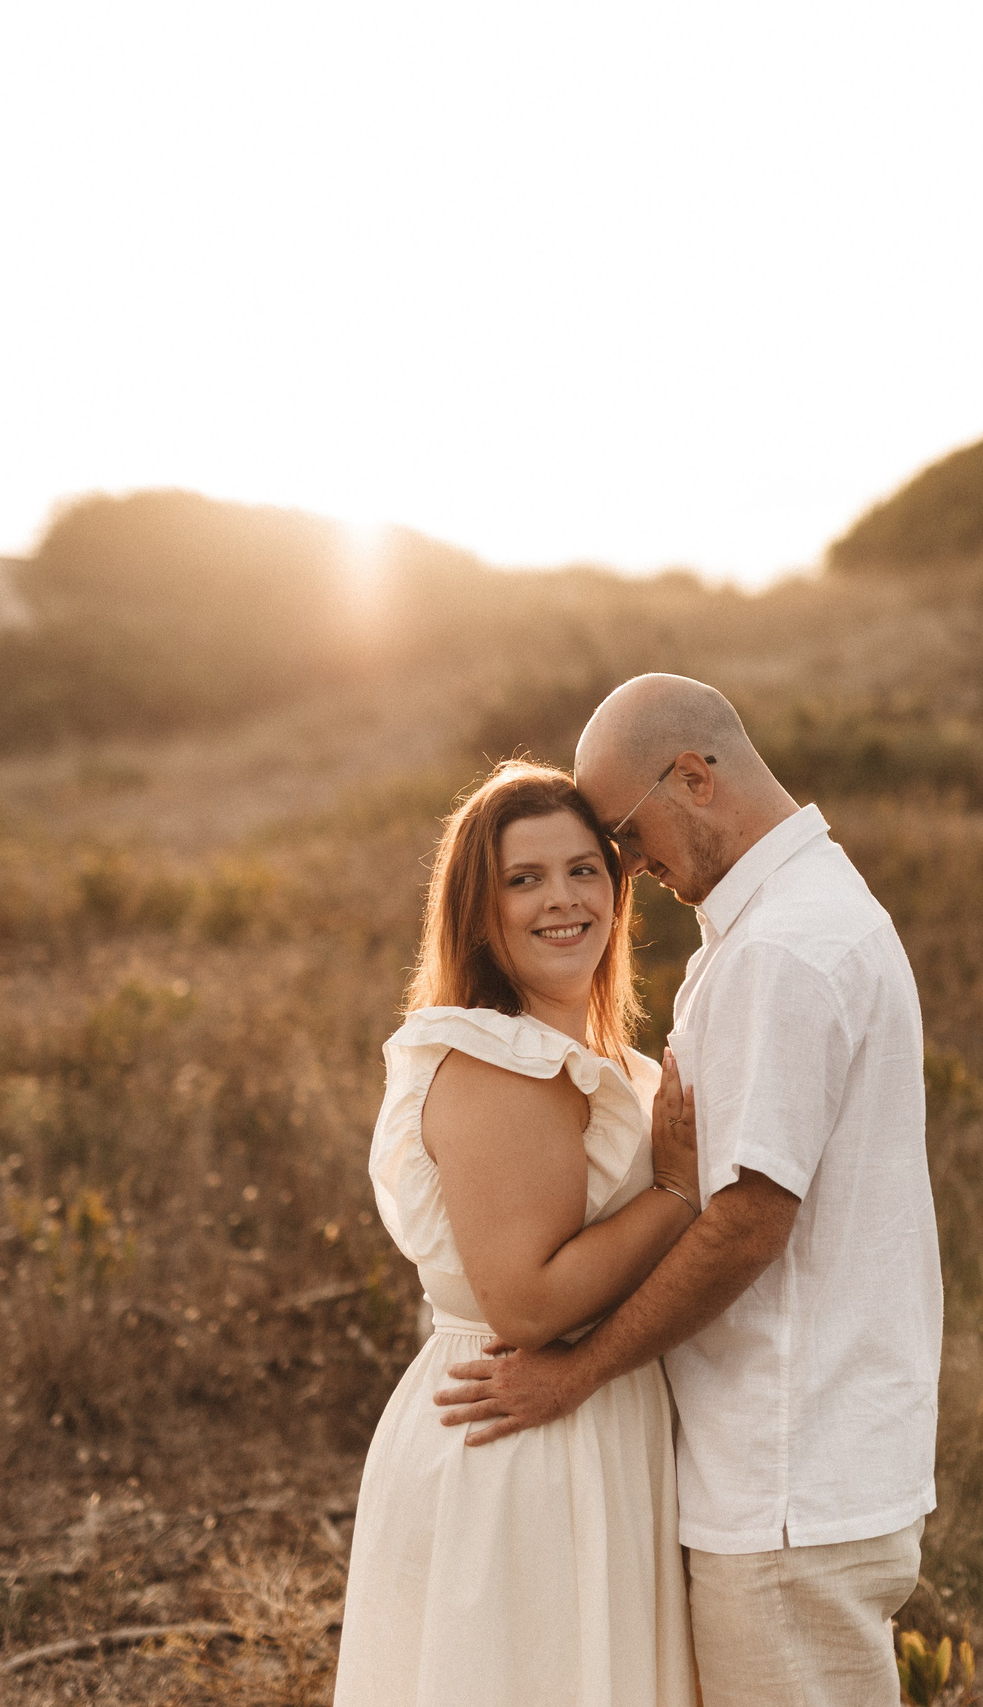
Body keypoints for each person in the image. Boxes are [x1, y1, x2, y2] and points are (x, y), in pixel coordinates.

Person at [435, 674, 944, 1707]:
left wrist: (575, 1376)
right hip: (790, 1466)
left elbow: (751, 1221)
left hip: (786, 1479)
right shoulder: (792, 916)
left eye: (619, 839)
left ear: (695, 778)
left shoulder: (781, 952)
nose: (625, 871)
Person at [332, 760, 700, 1707]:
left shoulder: (596, 1061)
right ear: (477, 910)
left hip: (595, 1421)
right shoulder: (502, 1061)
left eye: (583, 869)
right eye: (523, 878)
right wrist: (676, 1191)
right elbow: (527, 1302)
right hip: (519, 1435)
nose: (562, 899)